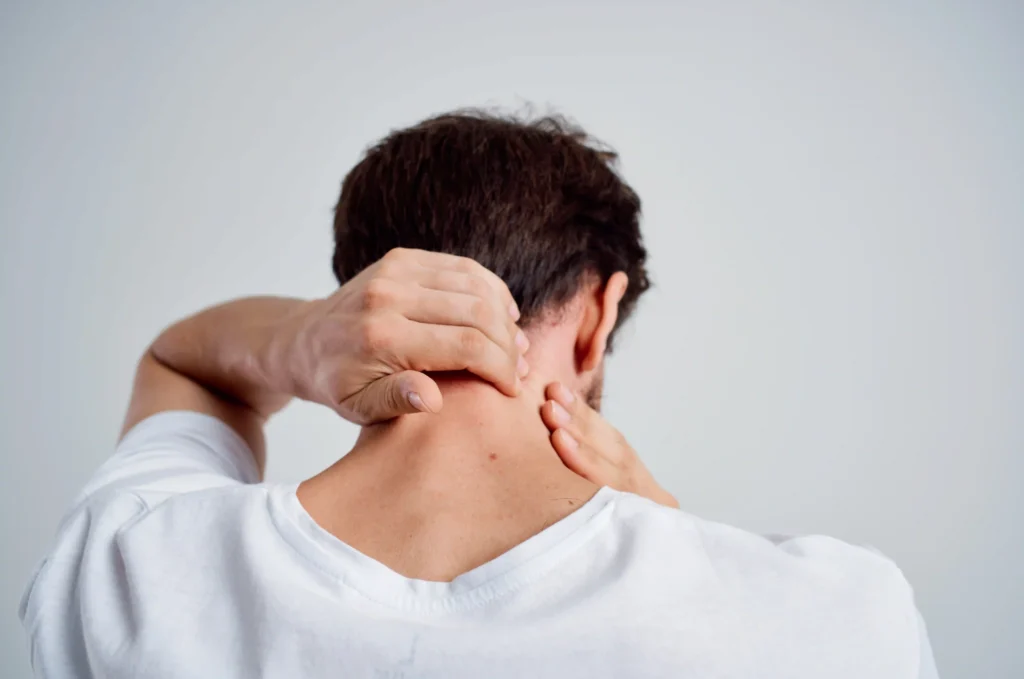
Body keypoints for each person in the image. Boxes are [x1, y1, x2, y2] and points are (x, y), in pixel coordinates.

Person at [20, 111, 939, 678]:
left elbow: (180, 363)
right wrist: (678, 529)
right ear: (596, 317)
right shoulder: (833, 615)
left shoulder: (136, 570)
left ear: (358, 290)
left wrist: (304, 340)